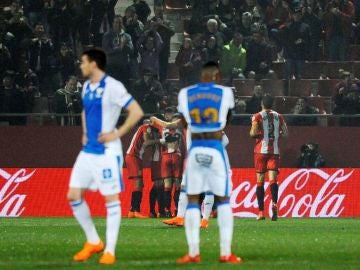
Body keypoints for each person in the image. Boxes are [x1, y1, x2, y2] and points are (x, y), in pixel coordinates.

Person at [66, 48, 144, 265]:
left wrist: (116, 133)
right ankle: (93, 241)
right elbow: (85, 111)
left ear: (93, 64)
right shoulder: (86, 87)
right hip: (88, 150)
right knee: (73, 196)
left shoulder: (112, 86)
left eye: (83, 62)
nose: (80, 66)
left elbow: (136, 111)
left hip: (108, 151)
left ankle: (109, 250)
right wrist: (83, 132)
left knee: (111, 199)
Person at [176, 61, 242, 264]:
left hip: (196, 148)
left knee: (193, 199)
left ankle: (193, 252)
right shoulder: (225, 93)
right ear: (217, 76)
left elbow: (184, 121)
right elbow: (228, 118)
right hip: (215, 149)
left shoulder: (185, 94)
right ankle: (225, 253)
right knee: (223, 200)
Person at [250, 94, 288, 221]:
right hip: (274, 151)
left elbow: (253, 133)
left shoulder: (257, 116)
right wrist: (277, 134)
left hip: (260, 151)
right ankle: (274, 204)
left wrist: (257, 132)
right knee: (273, 180)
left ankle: (261, 212)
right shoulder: (279, 116)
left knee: (260, 181)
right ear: (272, 105)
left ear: (262, 104)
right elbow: (286, 133)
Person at [125, 120, 154, 219]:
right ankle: (136, 210)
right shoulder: (146, 126)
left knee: (140, 183)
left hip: (136, 157)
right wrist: (160, 141)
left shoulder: (142, 128)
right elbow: (147, 141)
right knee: (138, 182)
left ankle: (132, 211)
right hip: (133, 157)